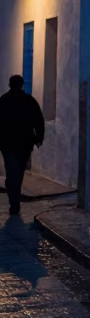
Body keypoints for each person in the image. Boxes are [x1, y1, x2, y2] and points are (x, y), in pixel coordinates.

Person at [0, 74, 45, 215]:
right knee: (18, 172)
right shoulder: (29, 101)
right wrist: (39, 138)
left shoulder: (3, 100)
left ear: (10, 84)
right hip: (24, 143)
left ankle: (14, 200)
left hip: (7, 143)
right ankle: (14, 198)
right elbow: (38, 120)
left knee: (12, 171)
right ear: (22, 85)